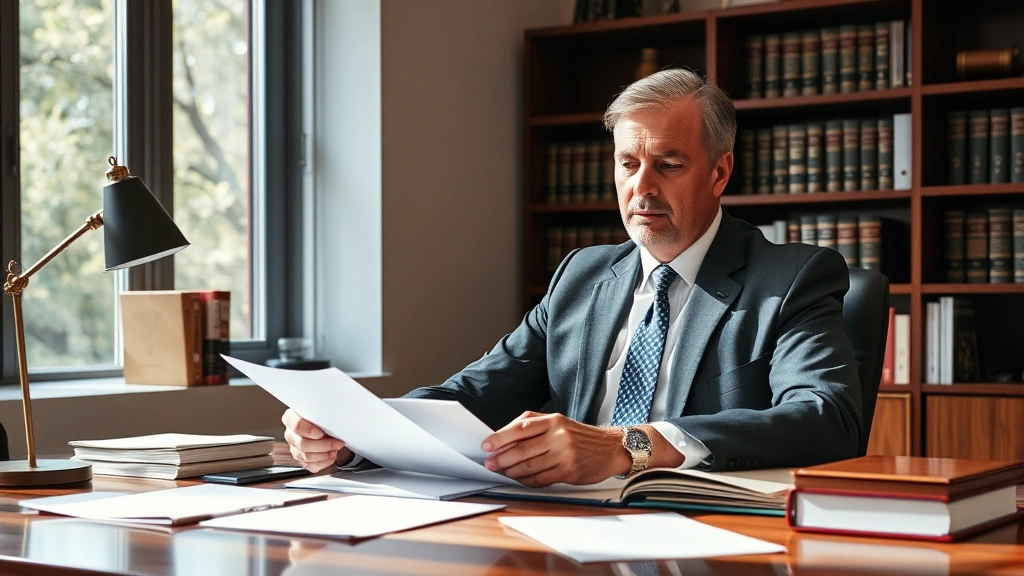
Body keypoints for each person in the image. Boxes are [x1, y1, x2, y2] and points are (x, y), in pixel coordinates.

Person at [282, 69, 862, 487]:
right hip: (564, 521)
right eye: (628, 164)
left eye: (670, 164)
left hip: (705, 532)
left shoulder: (792, 278)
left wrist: (627, 446)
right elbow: (474, 396)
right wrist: (356, 432)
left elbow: (825, 417)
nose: (642, 188)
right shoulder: (583, 276)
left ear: (719, 171)